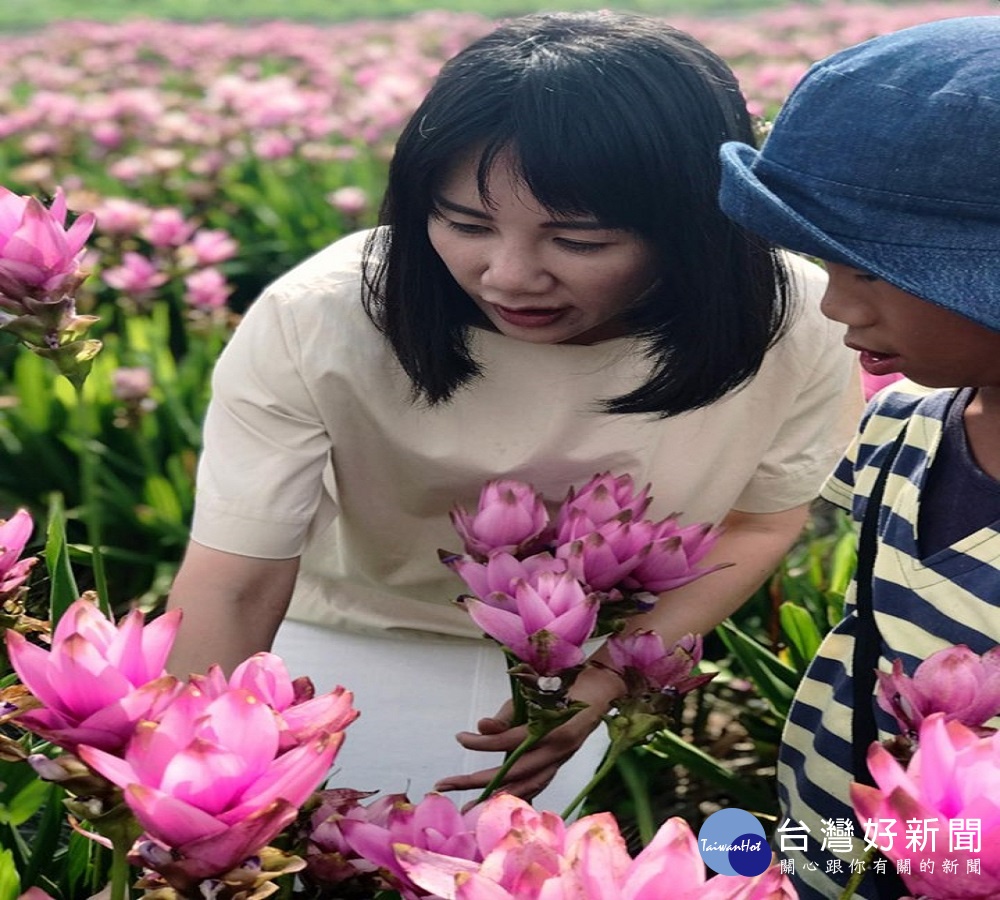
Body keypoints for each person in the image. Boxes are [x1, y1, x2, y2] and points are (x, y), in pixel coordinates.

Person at [165, 10, 857, 812]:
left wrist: (609, 675)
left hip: (596, 652)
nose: (507, 276)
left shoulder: (795, 320)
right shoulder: (324, 315)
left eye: (581, 241)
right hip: (350, 631)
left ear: (696, 227)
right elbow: (235, 582)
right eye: (464, 223)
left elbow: (760, 520)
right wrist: (194, 787)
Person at [718, 15, 1000, 899]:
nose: (836, 306)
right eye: (824, 263)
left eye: (871, 270)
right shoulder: (900, 427)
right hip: (837, 824)